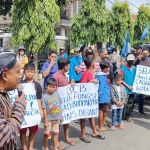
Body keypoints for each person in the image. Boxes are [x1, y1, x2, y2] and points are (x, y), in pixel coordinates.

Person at [0, 52, 27, 149]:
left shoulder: (4, 94)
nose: (21, 76)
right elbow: (3, 136)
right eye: (18, 72)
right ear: (5, 76)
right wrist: (19, 107)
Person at [80, 57, 105, 143]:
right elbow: (82, 86)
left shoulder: (92, 72)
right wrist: (91, 81)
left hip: (91, 98)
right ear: (91, 64)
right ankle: (83, 134)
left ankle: (94, 131)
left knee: (91, 115)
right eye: (94, 63)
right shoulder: (86, 74)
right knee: (83, 117)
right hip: (85, 99)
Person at [53, 58, 75, 149]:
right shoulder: (56, 76)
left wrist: (71, 84)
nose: (69, 67)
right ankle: (56, 142)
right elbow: (54, 91)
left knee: (66, 121)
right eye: (68, 66)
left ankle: (67, 138)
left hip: (65, 104)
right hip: (57, 104)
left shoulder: (65, 76)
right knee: (56, 123)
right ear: (65, 66)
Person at [19, 63, 43, 150]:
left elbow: (39, 99)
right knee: (23, 131)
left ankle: (30, 147)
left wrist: (40, 110)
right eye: (27, 71)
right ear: (24, 72)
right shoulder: (20, 84)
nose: (29, 73)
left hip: (33, 112)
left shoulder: (37, 85)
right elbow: (18, 98)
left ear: (34, 72)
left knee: (33, 131)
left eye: (31, 71)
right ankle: (24, 147)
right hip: (24, 112)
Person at [42, 78, 62, 150]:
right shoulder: (44, 97)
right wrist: (45, 121)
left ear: (56, 87)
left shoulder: (57, 95)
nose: (52, 89)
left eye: (54, 87)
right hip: (49, 119)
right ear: (46, 86)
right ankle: (46, 147)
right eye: (50, 86)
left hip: (56, 118)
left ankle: (55, 147)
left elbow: (59, 106)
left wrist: (60, 116)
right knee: (47, 134)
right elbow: (44, 109)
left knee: (56, 133)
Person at [119, 53, 136, 122]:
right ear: (127, 60)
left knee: (130, 104)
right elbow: (120, 80)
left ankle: (127, 117)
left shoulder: (135, 68)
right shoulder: (123, 69)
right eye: (129, 60)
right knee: (124, 104)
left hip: (133, 90)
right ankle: (121, 117)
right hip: (125, 89)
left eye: (132, 60)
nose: (131, 62)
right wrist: (128, 86)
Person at [134, 48, 150, 115]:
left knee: (142, 98)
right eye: (144, 53)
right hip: (137, 82)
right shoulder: (138, 60)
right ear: (141, 54)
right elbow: (133, 65)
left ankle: (141, 110)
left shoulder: (149, 63)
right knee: (135, 97)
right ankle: (128, 110)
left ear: (149, 54)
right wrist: (138, 59)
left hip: (144, 84)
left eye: (146, 53)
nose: (145, 54)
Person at [95, 60, 111, 131]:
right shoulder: (102, 77)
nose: (109, 69)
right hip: (103, 97)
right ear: (105, 69)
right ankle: (100, 126)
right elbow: (100, 88)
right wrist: (99, 96)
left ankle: (102, 122)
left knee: (105, 110)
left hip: (104, 96)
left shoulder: (100, 75)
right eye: (108, 67)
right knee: (101, 111)